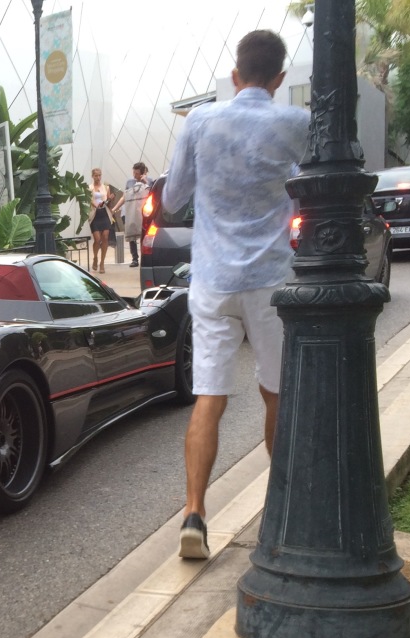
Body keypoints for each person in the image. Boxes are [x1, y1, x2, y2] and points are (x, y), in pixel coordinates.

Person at [161, 29, 309, 560]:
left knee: (210, 397)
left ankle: (194, 514)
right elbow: (314, 179)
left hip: (213, 280)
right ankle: (283, 507)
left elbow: (174, 197)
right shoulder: (294, 123)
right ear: (280, 78)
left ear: (235, 74)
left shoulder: (201, 121)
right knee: (276, 393)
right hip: (269, 280)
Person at [124, 162, 152, 266]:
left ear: (142, 173)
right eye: (134, 173)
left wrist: (146, 182)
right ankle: (134, 258)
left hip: (144, 212)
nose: (134, 175)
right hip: (132, 211)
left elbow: (152, 194)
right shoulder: (129, 182)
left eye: (136, 173)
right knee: (132, 235)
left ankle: (145, 257)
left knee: (144, 236)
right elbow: (125, 196)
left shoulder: (149, 181)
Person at [88, 168, 113, 273]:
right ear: (92, 176)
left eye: (99, 175)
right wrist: (96, 205)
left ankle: (102, 262)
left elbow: (107, 201)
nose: (98, 178)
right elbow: (89, 200)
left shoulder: (105, 187)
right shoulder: (89, 188)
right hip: (95, 214)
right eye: (96, 175)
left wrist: (109, 199)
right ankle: (95, 257)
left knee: (105, 237)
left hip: (104, 214)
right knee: (97, 239)